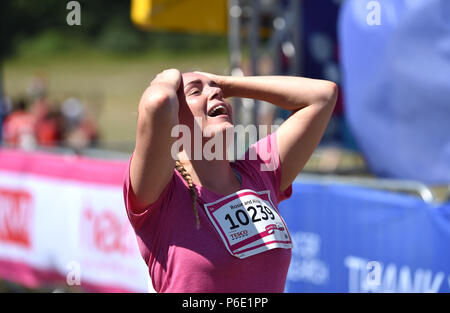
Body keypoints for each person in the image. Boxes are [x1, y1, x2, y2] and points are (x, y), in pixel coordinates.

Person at [123, 69, 337, 292]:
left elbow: (322, 95)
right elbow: (157, 101)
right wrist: (166, 78)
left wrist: (227, 84)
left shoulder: (259, 172)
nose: (216, 92)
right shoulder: (162, 194)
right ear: (173, 121)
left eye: (219, 91)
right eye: (195, 91)